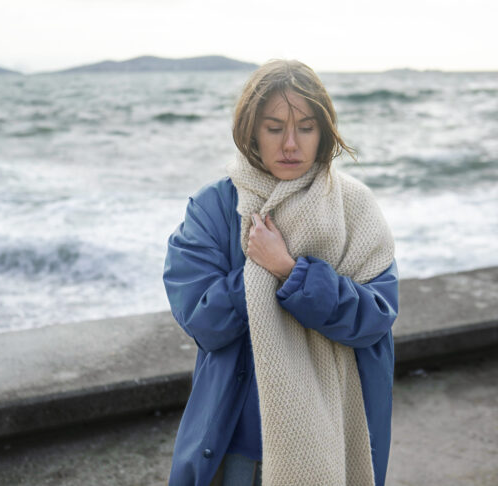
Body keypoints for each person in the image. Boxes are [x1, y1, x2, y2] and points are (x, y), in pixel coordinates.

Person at [163, 59, 398, 486]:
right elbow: (203, 322)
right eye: (274, 128)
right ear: (251, 131)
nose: (290, 143)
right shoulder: (215, 208)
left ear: (323, 132)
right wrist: (254, 272)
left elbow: (375, 318)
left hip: (330, 438)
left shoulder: (355, 208)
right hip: (238, 441)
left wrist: (289, 270)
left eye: (305, 127)